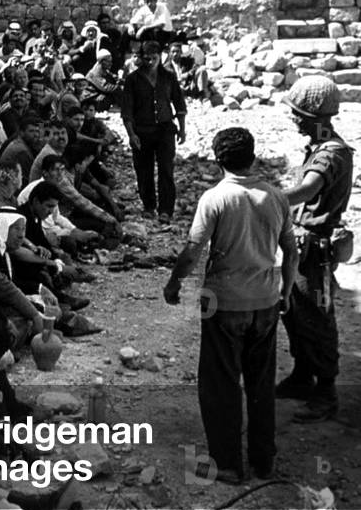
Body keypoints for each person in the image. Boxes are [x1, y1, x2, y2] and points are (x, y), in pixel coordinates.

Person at [165, 128, 298, 483]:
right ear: (252, 156)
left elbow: (193, 250)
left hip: (223, 303)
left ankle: (227, 464)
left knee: (220, 383)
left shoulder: (215, 198)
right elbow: (291, 251)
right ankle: (263, 460)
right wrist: (285, 292)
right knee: (261, 384)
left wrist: (174, 282)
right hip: (266, 302)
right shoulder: (276, 196)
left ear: (218, 160)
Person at [276, 76, 355, 423]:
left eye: (299, 114)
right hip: (301, 244)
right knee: (293, 311)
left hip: (315, 248)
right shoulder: (319, 146)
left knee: (317, 318)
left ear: (317, 117)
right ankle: (302, 375)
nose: (294, 119)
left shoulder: (332, 153)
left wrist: (265, 198)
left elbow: (308, 191)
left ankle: (325, 391)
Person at [120, 41, 186, 223]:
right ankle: (149, 206)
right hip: (142, 130)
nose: (150, 62)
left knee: (166, 169)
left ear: (160, 57)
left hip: (165, 130)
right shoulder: (132, 79)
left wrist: (182, 129)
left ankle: (166, 210)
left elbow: (179, 103)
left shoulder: (169, 77)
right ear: (141, 58)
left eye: (154, 58)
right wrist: (131, 134)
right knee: (143, 170)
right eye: (147, 58)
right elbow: (127, 110)